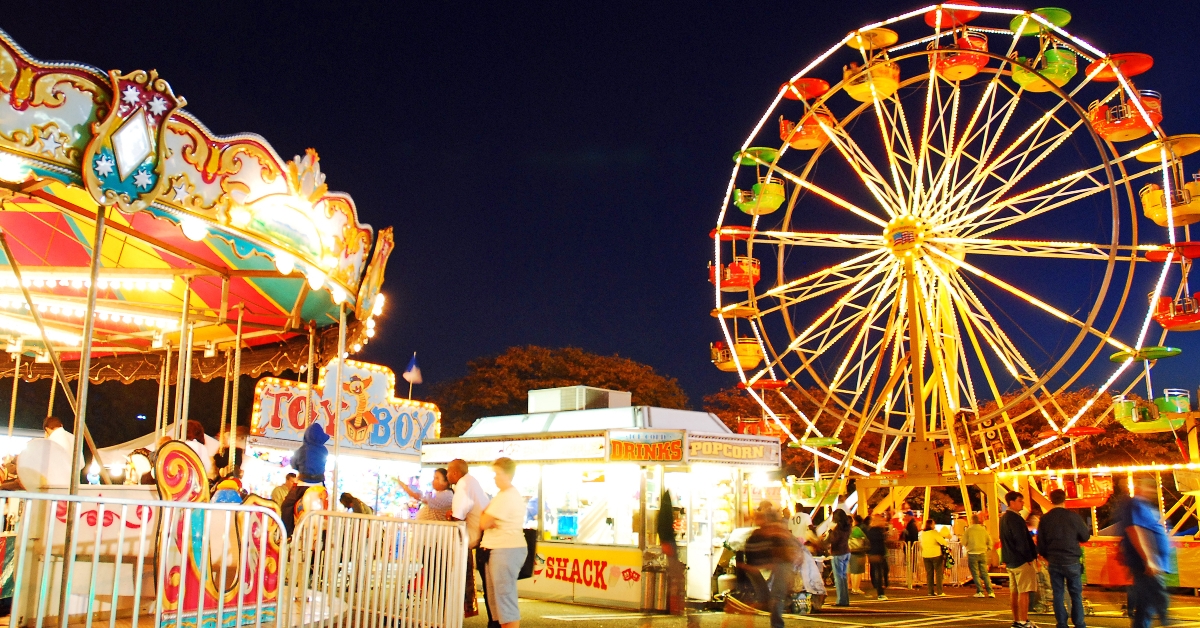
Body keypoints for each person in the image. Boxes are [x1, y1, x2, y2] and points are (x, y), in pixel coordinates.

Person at [480, 457, 527, 628]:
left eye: (497, 473)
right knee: (500, 602)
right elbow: (485, 519)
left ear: (507, 475)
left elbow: (483, 522)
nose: (494, 477)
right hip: (502, 549)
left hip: (504, 549)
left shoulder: (506, 496)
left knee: (504, 602)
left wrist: (486, 517)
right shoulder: (505, 495)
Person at [1121, 476, 1173, 628]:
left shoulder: (1145, 506)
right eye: (1147, 487)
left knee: (1146, 603)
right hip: (1148, 564)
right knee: (1156, 599)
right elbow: (1134, 530)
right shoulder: (1135, 504)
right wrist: (1148, 559)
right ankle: (1165, 620)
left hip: (1154, 563)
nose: (1150, 491)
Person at [447, 458, 493, 625]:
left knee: (489, 587)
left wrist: (451, 517)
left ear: (455, 473)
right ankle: (494, 621)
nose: (446, 475)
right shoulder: (472, 482)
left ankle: (495, 622)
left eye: (447, 472)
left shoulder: (463, 485)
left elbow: (458, 515)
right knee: (490, 587)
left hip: (480, 541)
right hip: (484, 538)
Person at [1037, 488, 1090, 628]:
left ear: (1051, 499)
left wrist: (1046, 556)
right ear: (1064, 499)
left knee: (1058, 593)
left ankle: (1061, 623)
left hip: (1054, 560)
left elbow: (1041, 543)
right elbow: (1085, 536)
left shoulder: (1045, 519)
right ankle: (1079, 623)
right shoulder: (1073, 517)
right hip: (1072, 559)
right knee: (1076, 594)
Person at [743, 508, 798, 628]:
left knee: (776, 597)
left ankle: (777, 624)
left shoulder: (776, 532)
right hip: (769, 566)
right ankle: (775, 620)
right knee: (771, 598)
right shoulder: (759, 534)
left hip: (781, 564)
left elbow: (787, 550)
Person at [280, 423, 329, 535]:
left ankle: (287, 533)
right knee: (326, 508)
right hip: (319, 485)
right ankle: (325, 536)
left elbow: (293, 464)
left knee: (286, 505)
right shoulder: (324, 451)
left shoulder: (302, 450)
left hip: (303, 485)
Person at [1000, 490, 1039, 628]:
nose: (1022, 503)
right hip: (1021, 560)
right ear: (1012, 502)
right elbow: (1021, 540)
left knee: (1014, 592)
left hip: (1010, 559)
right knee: (1024, 592)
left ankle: (1017, 620)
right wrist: (1029, 557)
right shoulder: (1016, 519)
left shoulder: (1004, 518)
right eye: (1020, 500)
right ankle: (1023, 621)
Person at [657, 490, 685, 614]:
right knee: (675, 575)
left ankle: (672, 603)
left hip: (667, 542)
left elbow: (662, 527)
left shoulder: (664, 510)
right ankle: (673, 603)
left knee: (674, 574)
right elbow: (665, 527)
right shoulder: (666, 511)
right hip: (669, 542)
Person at [825, 509, 852, 606]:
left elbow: (831, 540)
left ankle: (841, 600)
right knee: (843, 577)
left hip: (838, 553)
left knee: (838, 578)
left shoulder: (837, 529)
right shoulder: (848, 526)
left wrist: (830, 530)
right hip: (846, 552)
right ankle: (845, 599)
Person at [965, 513, 995, 598]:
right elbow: (990, 542)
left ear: (971, 521)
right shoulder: (983, 530)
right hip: (982, 553)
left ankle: (980, 591)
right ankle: (990, 592)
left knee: (975, 573)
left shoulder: (969, 530)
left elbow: (963, 541)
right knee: (984, 573)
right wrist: (987, 549)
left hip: (972, 553)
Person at [919, 519, 948, 596]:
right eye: (934, 524)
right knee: (939, 573)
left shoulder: (923, 534)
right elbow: (943, 542)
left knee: (929, 574)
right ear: (931, 525)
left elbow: (921, 544)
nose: (934, 525)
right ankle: (940, 591)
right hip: (936, 555)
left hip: (926, 555)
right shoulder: (934, 533)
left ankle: (930, 591)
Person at [865, 513, 890, 600]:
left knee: (875, 571)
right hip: (877, 553)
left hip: (872, 552)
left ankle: (876, 587)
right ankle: (880, 592)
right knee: (879, 573)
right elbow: (880, 543)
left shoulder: (870, 530)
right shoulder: (878, 531)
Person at [849, 513, 868, 595]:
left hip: (848, 552)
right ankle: (856, 588)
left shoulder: (845, 530)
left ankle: (853, 587)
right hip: (858, 552)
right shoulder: (856, 529)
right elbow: (865, 539)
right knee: (858, 571)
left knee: (852, 571)